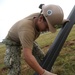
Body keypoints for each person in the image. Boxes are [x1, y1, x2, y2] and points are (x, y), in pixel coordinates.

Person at [2, 4, 68, 75]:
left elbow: (50, 18)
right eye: (47, 26)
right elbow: (27, 56)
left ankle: (49, 71)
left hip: (26, 37)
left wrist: (61, 21)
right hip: (13, 41)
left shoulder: (41, 16)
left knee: (41, 58)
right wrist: (43, 73)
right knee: (14, 69)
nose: (48, 29)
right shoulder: (27, 30)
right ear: (40, 19)